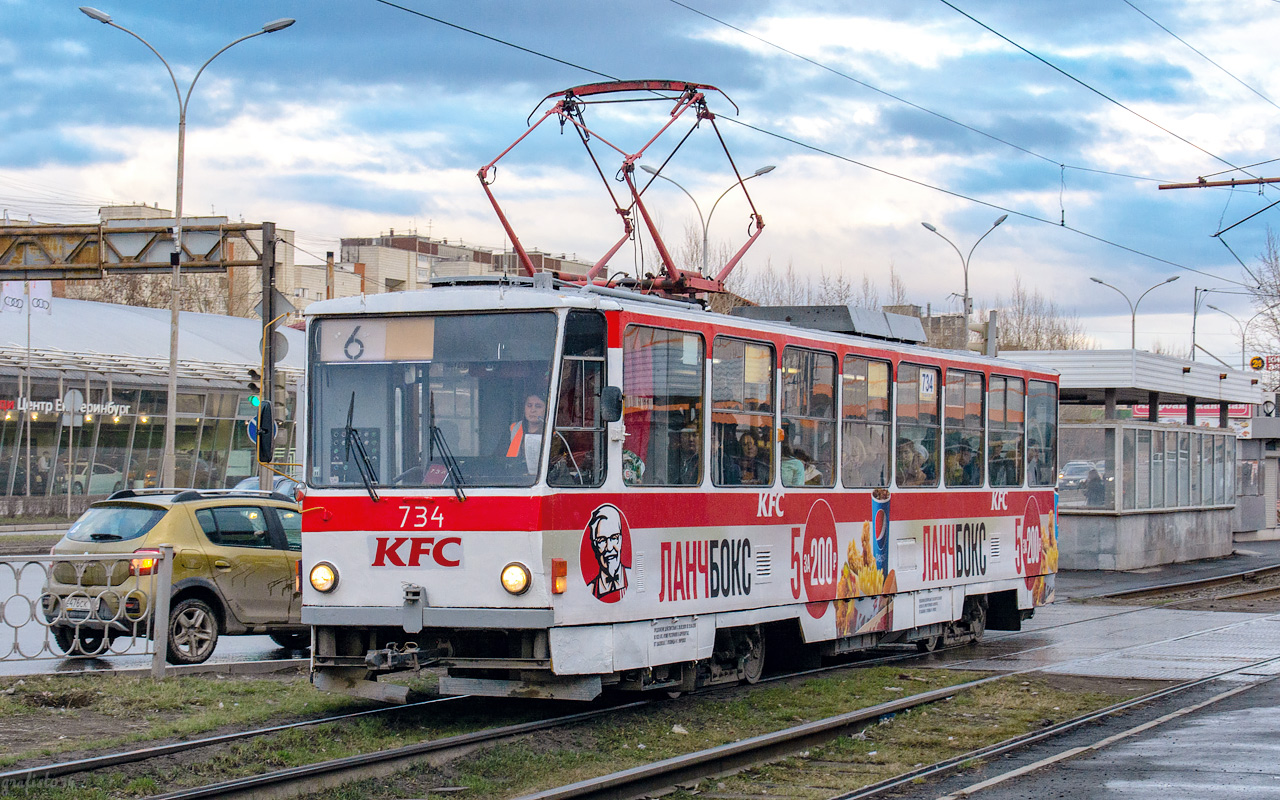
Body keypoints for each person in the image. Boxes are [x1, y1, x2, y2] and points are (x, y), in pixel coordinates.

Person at [586, 504, 627, 601]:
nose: (609, 548)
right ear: (594, 545)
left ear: (620, 540)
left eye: (614, 538)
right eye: (601, 540)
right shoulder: (589, 590)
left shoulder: (633, 577)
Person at [504, 391, 546, 474]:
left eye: (538, 406)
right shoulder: (513, 429)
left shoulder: (553, 433)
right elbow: (500, 458)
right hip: (516, 478)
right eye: (529, 405)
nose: (533, 410)